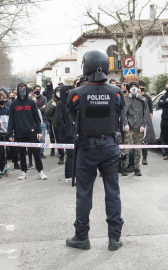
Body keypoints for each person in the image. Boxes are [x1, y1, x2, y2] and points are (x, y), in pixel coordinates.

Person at [65, 50, 125, 251]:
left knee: (84, 193)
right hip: (109, 145)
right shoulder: (116, 92)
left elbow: (73, 114)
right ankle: (114, 239)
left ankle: (82, 237)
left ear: (86, 67)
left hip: (86, 147)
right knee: (113, 192)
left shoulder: (75, 94)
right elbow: (118, 111)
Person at [7, 83, 47, 180]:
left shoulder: (32, 103)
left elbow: (37, 118)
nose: (22, 90)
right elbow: (11, 120)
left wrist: (38, 131)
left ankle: (40, 171)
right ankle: (23, 171)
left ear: (26, 89)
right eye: (20, 88)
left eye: (24, 88)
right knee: (21, 153)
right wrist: (10, 133)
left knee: (36, 153)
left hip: (32, 132)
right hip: (19, 133)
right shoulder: (13, 104)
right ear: (17, 89)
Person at [121, 81, 147, 176]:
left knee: (137, 149)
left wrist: (143, 126)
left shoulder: (143, 100)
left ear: (138, 88)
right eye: (131, 86)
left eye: (135, 86)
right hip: (129, 127)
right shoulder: (126, 100)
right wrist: (126, 124)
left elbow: (145, 114)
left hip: (139, 128)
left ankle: (137, 168)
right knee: (126, 149)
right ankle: (125, 167)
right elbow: (124, 114)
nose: (133, 87)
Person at [56, 85, 74, 182]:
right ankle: (70, 175)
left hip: (73, 132)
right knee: (70, 154)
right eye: (68, 91)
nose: (69, 92)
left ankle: (68, 176)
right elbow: (59, 119)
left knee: (71, 154)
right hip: (66, 134)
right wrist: (66, 130)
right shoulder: (60, 104)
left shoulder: (72, 103)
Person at [45, 86, 64, 164]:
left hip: (66, 124)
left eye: (60, 91)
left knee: (67, 140)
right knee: (59, 140)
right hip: (56, 124)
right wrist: (53, 105)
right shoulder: (52, 101)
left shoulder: (65, 100)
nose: (58, 93)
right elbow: (47, 113)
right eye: (57, 91)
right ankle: (61, 155)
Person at [0, 92, 10, 173]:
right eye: (1, 99)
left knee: (6, 151)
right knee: (0, 151)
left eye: (4, 99)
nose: (3, 100)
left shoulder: (7, 110)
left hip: (6, 133)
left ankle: (4, 166)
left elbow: (10, 122)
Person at [139, 79, 153, 165]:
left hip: (145, 121)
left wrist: (149, 121)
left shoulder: (147, 97)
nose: (141, 88)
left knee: (144, 140)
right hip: (136, 120)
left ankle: (144, 158)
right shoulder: (135, 96)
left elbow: (151, 111)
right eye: (140, 86)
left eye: (143, 86)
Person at [33, 85, 48, 158]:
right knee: (34, 138)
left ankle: (41, 152)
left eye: (39, 89)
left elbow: (45, 109)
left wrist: (36, 109)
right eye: (36, 89)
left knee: (42, 138)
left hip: (43, 120)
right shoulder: (31, 98)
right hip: (33, 121)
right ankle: (36, 152)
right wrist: (40, 108)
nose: (37, 90)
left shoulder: (44, 98)